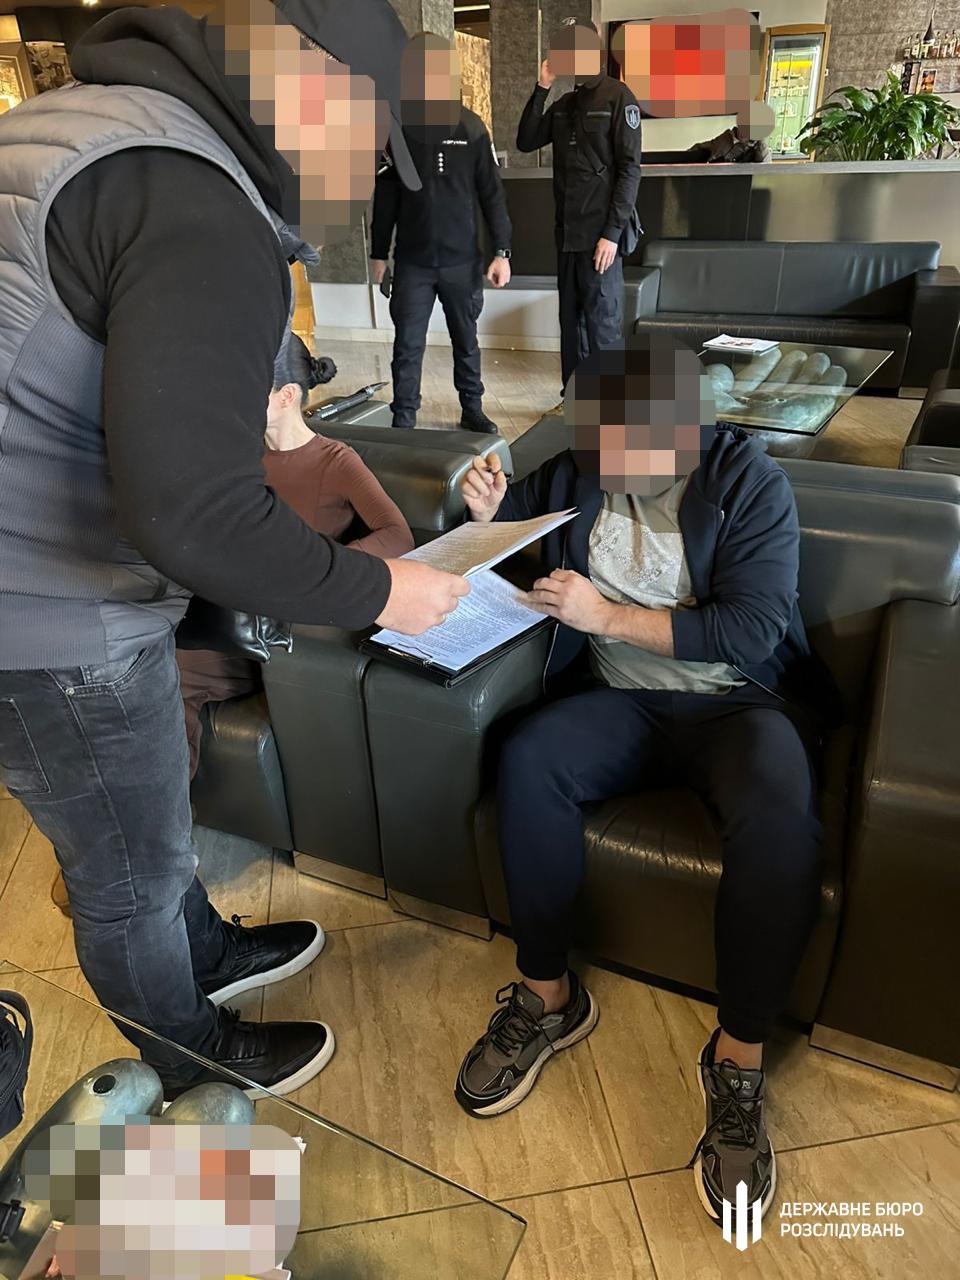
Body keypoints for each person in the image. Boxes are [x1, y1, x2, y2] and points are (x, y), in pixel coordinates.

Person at [0, 0, 469, 1100]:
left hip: (35, 579)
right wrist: (381, 591)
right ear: (312, 88)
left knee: (150, 832)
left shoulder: (77, 125)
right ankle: (187, 1051)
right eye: (369, 146)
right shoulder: (201, 204)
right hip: (51, 614)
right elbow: (192, 511)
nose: (362, 182)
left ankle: (204, 949)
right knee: (128, 870)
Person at [453, 336, 836, 1231]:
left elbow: (751, 628)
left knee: (780, 823)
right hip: (619, 700)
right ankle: (548, 997)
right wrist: (491, 512)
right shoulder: (580, 464)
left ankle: (737, 1059)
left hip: (734, 704)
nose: (602, 462)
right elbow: (521, 538)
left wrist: (607, 614)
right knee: (529, 759)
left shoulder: (748, 484)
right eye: (595, 441)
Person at [177, 333, 415, 780]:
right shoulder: (239, 452)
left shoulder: (335, 461)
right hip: (217, 607)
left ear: (287, 396)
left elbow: (397, 535)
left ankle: (162, 815)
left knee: (170, 678)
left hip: (265, 630)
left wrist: (320, 568)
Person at [370, 32, 513, 434]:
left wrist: (502, 251)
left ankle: (472, 408)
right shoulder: (397, 129)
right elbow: (386, 197)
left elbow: (492, 194)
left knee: (466, 341)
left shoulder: (472, 127)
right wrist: (378, 253)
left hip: (461, 262)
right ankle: (404, 417)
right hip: (413, 263)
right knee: (407, 345)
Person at [517, 18, 642, 395]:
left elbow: (630, 170)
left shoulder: (619, 97)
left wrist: (612, 235)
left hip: (600, 238)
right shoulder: (563, 106)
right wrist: (542, 86)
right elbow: (525, 140)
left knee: (602, 325)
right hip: (567, 235)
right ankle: (573, 399)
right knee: (571, 326)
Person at [687, 122, 770, 163]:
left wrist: (760, 141)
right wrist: (684, 157)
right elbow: (705, 146)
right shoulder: (726, 137)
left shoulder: (757, 148)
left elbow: (765, 169)